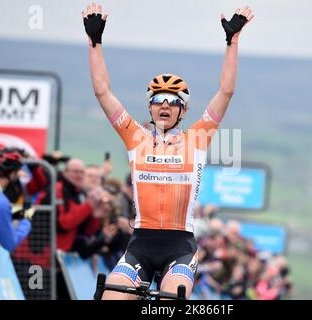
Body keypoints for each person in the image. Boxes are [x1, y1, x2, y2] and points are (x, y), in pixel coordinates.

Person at [83, 2, 254, 299]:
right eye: (158, 99)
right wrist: (95, 43)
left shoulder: (197, 138)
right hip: (140, 246)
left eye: (173, 101)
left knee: (171, 301)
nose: (165, 105)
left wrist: (233, 42)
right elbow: (102, 92)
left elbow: (226, 91)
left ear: (183, 110)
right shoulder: (135, 137)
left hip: (180, 248)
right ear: (149, 106)